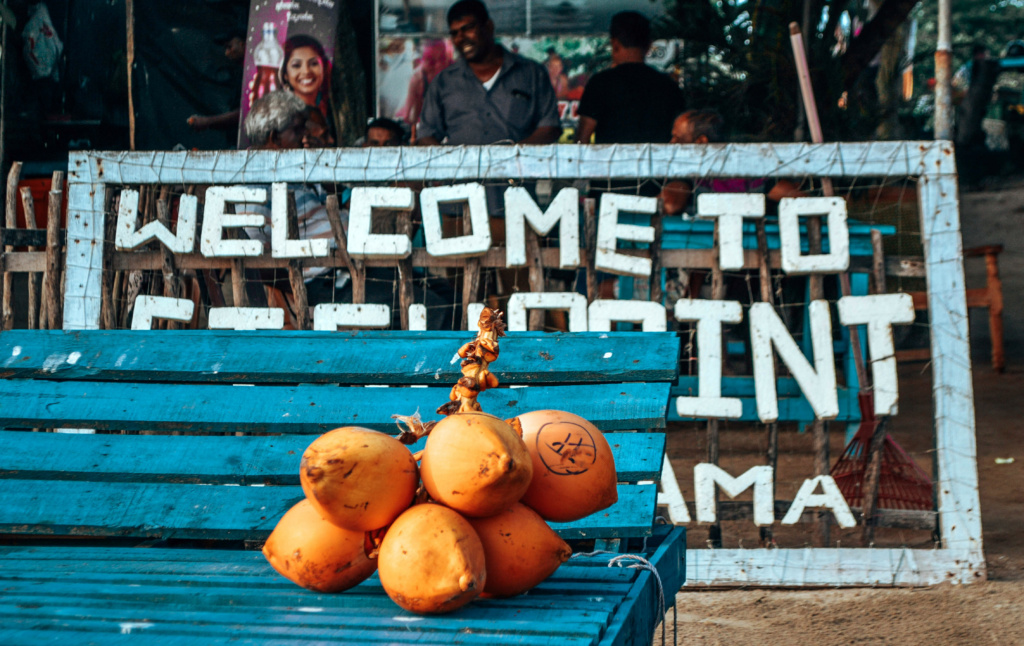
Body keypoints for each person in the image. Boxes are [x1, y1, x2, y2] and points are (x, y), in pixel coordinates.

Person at [416, 0, 560, 145]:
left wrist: (512, 157)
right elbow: (426, 135)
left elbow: (550, 127)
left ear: (488, 27)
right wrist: (452, 165)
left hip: (519, 166)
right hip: (461, 167)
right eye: (455, 33)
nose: (461, 38)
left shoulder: (532, 73)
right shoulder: (443, 82)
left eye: (468, 28)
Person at [575, 11, 685, 144]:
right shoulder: (668, 86)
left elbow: (582, 138)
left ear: (614, 44)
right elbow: (681, 136)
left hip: (611, 164)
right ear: (649, 45)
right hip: (657, 163)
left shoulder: (600, 84)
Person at [279, 35, 335, 142]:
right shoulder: (284, 117)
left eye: (314, 63)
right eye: (296, 65)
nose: (306, 71)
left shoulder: (333, 110)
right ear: (285, 74)